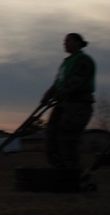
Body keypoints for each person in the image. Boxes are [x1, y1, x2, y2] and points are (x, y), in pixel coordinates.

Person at [41, 33, 96, 169]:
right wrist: (48, 96)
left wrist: (61, 92)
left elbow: (76, 81)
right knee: (52, 134)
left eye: (68, 41)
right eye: (64, 41)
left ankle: (71, 170)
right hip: (63, 103)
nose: (64, 44)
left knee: (67, 137)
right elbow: (58, 82)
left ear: (78, 43)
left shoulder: (84, 60)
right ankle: (57, 166)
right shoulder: (65, 63)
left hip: (78, 104)